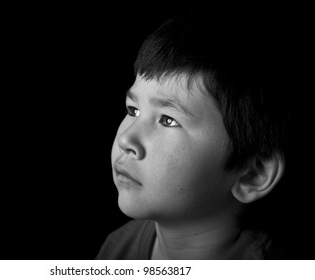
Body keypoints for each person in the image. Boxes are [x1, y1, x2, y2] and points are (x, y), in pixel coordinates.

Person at [95, 10, 300, 260]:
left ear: (253, 173)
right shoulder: (117, 249)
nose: (126, 140)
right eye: (133, 110)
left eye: (168, 120)